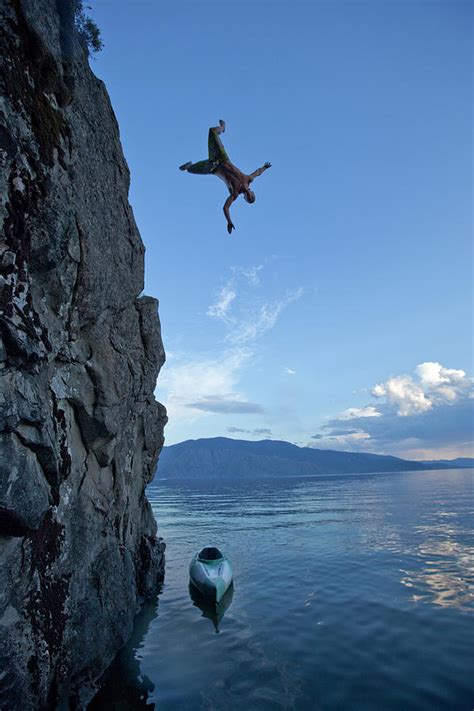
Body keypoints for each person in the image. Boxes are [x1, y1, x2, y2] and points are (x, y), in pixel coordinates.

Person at [179, 120, 271, 233]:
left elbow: (226, 207)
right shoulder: (248, 179)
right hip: (221, 157)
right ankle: (222, 128)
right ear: (253, 193)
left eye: (249, 200)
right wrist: (264, 168)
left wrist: (229, 221)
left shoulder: (235, 193)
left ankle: (189, 166)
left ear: (245, 198)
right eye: (252, 197)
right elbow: (257, 173)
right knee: (212, 131)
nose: (250, 197)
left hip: (212, 167)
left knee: (191, 170)